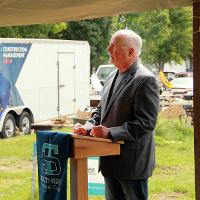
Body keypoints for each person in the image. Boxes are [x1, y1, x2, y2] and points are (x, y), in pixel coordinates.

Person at [73, 29, 160, 200]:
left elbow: (146, 123)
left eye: (114, 46)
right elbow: (100, 110)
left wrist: (110, 132)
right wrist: (87, 127)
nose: (108, 49)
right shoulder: (112, 75)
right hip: (110, 162)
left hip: (132, 166)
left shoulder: (145, 80)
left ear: (131, 52)